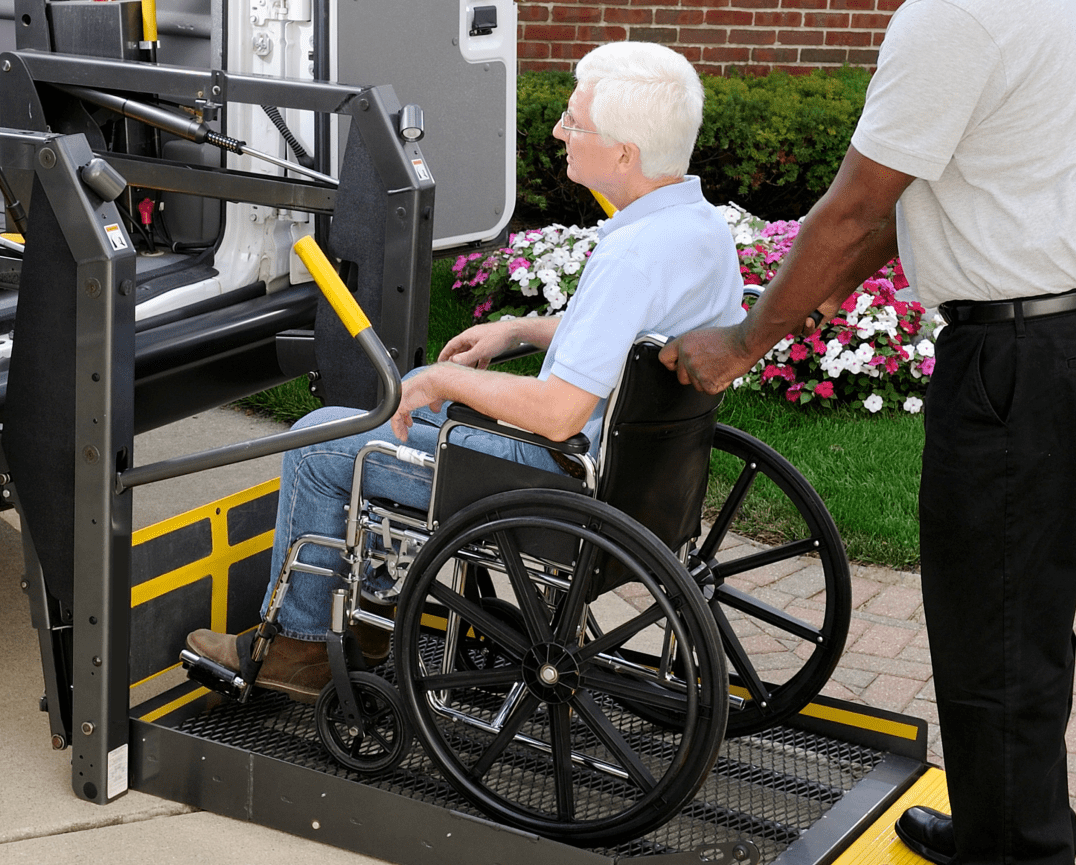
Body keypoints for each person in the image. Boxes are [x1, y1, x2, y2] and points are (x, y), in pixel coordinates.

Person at [661, 0, 1076, 865]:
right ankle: (999, 829)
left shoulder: (950, 17)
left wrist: (745, 341)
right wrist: (822, 279)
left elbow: (857, 205)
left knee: (996, 618)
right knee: (1019, 608)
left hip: (1025, 347)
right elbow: (922, 189)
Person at [186, 40, 745, 701]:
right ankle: (371, 617)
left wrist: (441, 381)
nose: (561, 131)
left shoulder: (632, 255)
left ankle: (300, 647)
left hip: (557, 477)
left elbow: (560, 412)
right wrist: (518, 329)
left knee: (323, 439)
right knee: (420, 421)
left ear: (624, 153)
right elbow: (632, 339)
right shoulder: (697, 228)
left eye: (575, 121)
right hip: (636, 479)